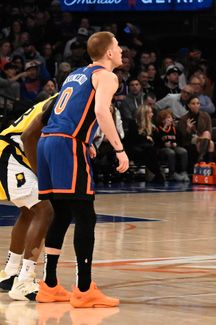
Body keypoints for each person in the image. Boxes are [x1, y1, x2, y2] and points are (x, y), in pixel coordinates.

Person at [37, 31, 129, 308]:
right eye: (117, 46)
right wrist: (119, 149)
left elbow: (64, 110)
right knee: (85, 216)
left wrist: (85, 141)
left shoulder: (75, 74)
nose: (121, 50)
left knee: (62, 213)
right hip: (66, 144)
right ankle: (85, 289)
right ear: (109, 53)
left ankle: (49, 284)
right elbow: (101, 111)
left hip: (49, 141)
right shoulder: (107, 76)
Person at [0, 96, 56, 301]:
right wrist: (42, 175)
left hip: (14, 152)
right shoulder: (60, 102)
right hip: (12, 152)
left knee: (28, 211)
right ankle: (24, 281)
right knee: (45, 210)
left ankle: (10, 272)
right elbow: (28, 136)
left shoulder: (59, 99)